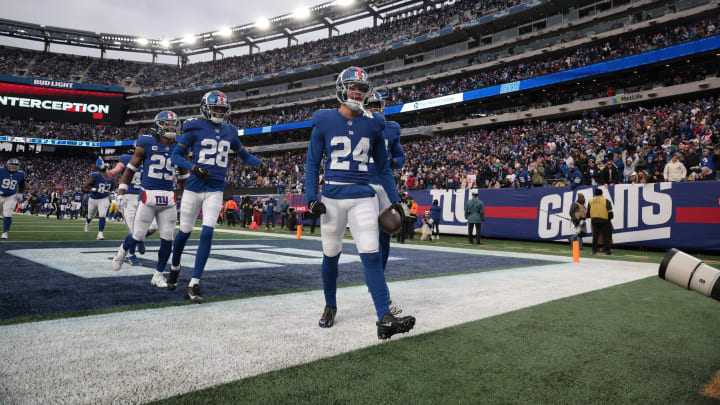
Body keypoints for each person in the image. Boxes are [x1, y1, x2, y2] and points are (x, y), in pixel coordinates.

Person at [305, 66, 415, 339]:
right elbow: (311, 162)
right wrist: (310, 198)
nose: (357, 93)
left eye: (362, 89)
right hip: (331, 197)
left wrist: (395, 200)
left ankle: (384, 317)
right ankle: (330, 305)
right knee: (331, 252)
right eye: (353, 88)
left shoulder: (375, 123)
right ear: (342, 89)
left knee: (371, 253)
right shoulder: (324, 119)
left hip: (363, 195)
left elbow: (385, 168)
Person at [169, 90, 261, 302]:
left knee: (207, 232)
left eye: (222, 108)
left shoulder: (230, 131)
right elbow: (176, 156)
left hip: (215, 189)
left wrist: (259, 164)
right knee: (184, 232)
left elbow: (243, 154)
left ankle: (194, 283)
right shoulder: (194, 128)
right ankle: (175, 267)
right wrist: (193, 168)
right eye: (215, 108)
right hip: (193, 188)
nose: (219, 111)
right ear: (205, 107)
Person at [112, 111, 187, 288]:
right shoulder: (146, 143)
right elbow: (130, 169)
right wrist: (121, 192)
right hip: (148, 196)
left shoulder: (181, 146)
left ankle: (158, 275)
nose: (171, 127)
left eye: (174, 124)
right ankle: (122, 250)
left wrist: (187, 200)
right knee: (137, 235)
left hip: (168, 198)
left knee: (167, 238)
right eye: (167, 124)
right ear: (159, 125)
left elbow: (184, 177)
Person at [365, 90, 405, 271]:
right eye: (370, 106)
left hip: (384, 184)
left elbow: (400, 156)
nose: (374, 109)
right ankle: (372, 272)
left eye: (376, 105)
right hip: (365, 184)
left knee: (385, 232)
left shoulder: (392, 127)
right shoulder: (358, 126)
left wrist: (394, 162)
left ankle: (380, 272)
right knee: (368, 233)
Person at [97, 143, 157, 264]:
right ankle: (131, 254)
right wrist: (103, 169)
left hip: (144, 196)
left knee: (153, 227)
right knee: (133, 231)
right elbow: (111, 175)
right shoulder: (125, 159)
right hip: (128, 197)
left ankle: (138, 240)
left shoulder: (150, 160)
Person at [83, 168, 115, 240]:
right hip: (93, 198)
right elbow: (86, 186)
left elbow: (113, 187)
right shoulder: (96, 175)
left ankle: (100, 233)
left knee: (102, 215)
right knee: (90, 215)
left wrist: (107, 191)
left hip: (104, 198)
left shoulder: (112, 177)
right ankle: (88, 223)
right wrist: (95, 189)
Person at [0, 158, 25, 239]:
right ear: (7, 164)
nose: (13, 166)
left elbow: (22, 184)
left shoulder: (20, 174)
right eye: (11, 164)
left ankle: (5, 232)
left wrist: (20, 193)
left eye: (15, 165)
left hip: (11, 196)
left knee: (8, 214)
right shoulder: (1, 171)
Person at [587, 188, 614, 255]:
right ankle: (607, 251)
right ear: (602, 193)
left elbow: (588, 213)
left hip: (594, 220)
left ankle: (594, 250)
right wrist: (609, 218)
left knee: (595, 236)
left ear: (595, 193)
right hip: (604, 221)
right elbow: (610, 212)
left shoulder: (590, 201)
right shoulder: (606, 201)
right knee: (606, 236)